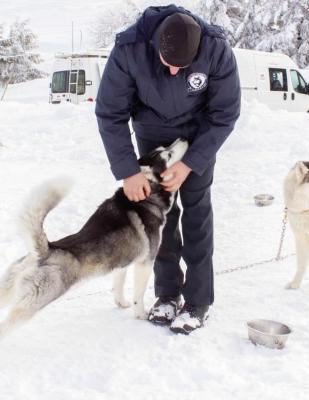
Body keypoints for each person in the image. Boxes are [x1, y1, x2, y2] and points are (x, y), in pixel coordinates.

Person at [95, 4, 241, 334]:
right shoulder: (129, 48)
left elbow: (224, 115)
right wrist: (128, 171)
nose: (175, 72)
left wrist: (191, 163)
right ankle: (167, 293)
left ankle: (199, 300)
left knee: (196, 212)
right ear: (155, 45)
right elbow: (110, 114)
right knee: (157, 217)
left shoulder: (216, 48)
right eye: (168, 64)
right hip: (152, 132)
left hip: (198, 137)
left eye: (183, 67)